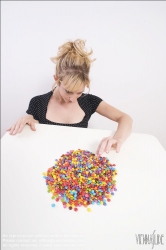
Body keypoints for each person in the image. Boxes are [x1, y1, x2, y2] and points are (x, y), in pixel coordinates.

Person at [6, 39, 133, 156]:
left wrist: (117, 138)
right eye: (68, 91)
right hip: (45, 161)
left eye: (79, 92)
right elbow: (32, 134)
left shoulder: (89, 101)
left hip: (76, 165)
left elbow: (125, 118)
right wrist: (28, 120)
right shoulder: (38, 102)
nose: (73, 99)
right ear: (57, 79)